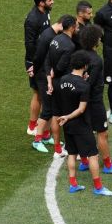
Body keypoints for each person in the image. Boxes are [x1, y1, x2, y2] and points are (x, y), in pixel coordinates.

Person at [55, 51, 112, 196]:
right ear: (85, 66)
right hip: (80, 125)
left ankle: (73, 184)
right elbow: (81, 109)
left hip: (67, 126)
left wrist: (65, 118)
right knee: (93, 155)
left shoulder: (63, 80)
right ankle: (98, 187)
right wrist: (68, 117)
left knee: (72, 153)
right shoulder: (84, 86)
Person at [77, 24, 112, 175]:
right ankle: (107, 164)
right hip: (94, 101)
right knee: (102, 133)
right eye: (98, 37)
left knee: (85, 131)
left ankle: (85, 161)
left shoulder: (79, 55)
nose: (100, 38)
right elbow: (90, 84)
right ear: (94, 40)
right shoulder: (96, 60)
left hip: (80, 101)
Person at [43, 15, 78, 157]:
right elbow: (61, 66)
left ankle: (57, 149)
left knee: (55, 114)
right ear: (71, 27)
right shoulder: (70, 45)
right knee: (68, 115)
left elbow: (47, 60)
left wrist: (50, 80)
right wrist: (55, 74)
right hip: (64, 84)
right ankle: (72, 147)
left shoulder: (55, 39)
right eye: (76, 25)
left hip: (55, 83)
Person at [30, 17, 64, 153]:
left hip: (47, 75)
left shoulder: (53, 35)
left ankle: (45, 135)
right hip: (44, 76)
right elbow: (38, 57)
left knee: (52, 107)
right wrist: (35, 71)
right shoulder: (47, 36)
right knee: (48, 108)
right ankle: (37, 140)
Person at [24, 0, 53, 135]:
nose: (52, 2)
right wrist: (32, 64)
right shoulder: (32, 19)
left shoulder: (45, 12)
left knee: (40, 94)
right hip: (37, 62)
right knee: (40, 94)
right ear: (41, 3)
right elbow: (29, 44)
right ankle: (34, 127)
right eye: (49, 0)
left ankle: (34, 125)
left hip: (44, 59)